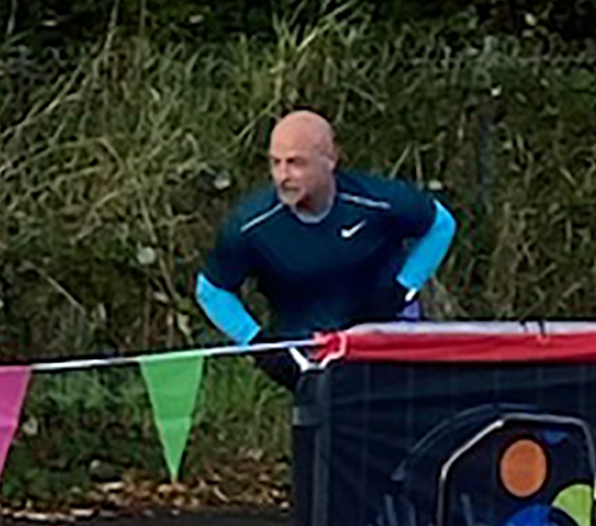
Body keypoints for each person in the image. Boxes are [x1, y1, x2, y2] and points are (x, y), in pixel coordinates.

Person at [194, 108, 458, 390]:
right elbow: (211, 290)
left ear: (330, 160)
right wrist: (259, 344)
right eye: (275, 163)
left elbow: (441, 224)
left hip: (387, 342)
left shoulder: (375, 201)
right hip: (310, 361)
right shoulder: (251, 226)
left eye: (296, 163)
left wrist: (403, 287)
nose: (283, 176)